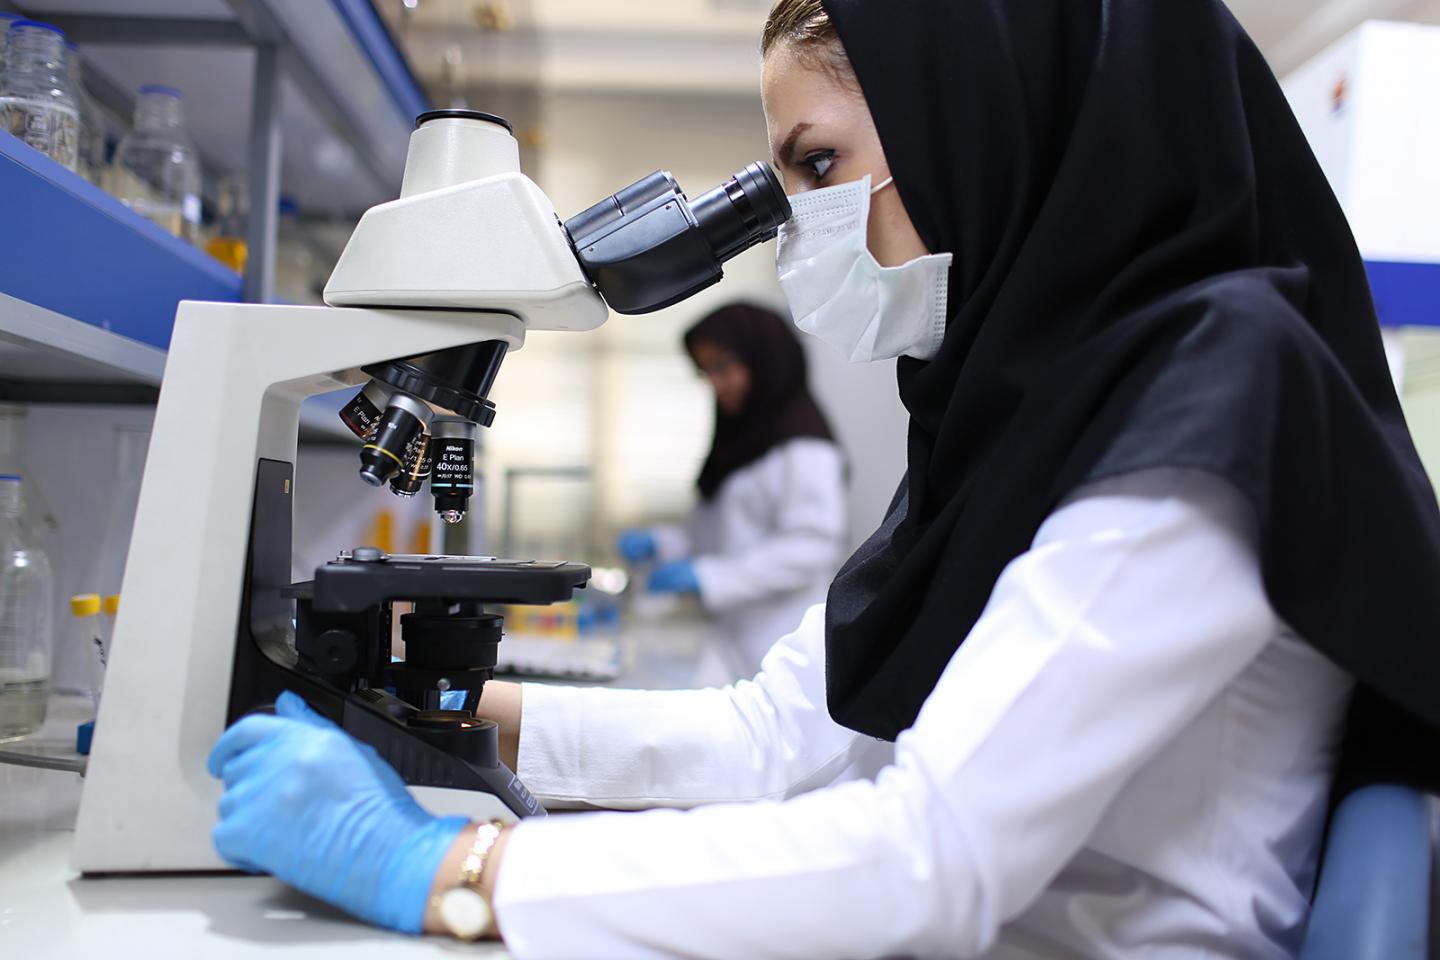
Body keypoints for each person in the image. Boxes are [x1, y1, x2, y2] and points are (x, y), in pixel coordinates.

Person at [206, 0, 1440, 956]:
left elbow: (932, 855)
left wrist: (451, 870)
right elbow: (779, 735)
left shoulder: (1215, 393)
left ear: (977, 107)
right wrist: (452, 717)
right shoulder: (1034, 410)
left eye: (815, 163)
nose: (799, 226)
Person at [618, 302, 848, 675]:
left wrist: (708, 577)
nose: (715, 384)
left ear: (763, 359)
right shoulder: (738, 443)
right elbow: (717, 536)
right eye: (705, 372)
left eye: (723, 367)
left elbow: (813, 547)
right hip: (735, 642)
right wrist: (661, 543)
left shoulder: (805, 449)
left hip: (783, 642)